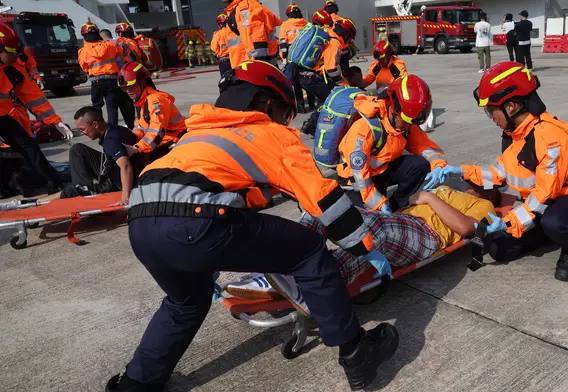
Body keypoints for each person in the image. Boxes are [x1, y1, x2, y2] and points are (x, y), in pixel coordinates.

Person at [104, 60, 399, 392]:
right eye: (286, 113)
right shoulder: (266, 131)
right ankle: (358, 354)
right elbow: (323, 198)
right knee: (307, 250)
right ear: (266, 102)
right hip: (194, 223)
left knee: (185, 301)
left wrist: (203, 253)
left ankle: (137, 384)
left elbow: (235, 198)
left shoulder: (198, 132)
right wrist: (366, 247)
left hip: (141, 225)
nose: (285, 122)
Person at [432, 61, 568, 282]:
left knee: (555, 223)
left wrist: (511, 222)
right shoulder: (515, 134)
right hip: (543, 201)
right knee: (499, 249)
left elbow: (543, 195)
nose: (491, 117)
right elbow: (498, 173)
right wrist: (459, 171)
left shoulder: (549, 137)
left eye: (491, 110)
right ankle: (546, 234)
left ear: (511, 107)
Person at [226, 185, 496, 299]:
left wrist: (428, 198)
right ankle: (284, 266)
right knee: (323, 210)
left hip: (425, 235)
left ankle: (309, 285)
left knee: (375, 231)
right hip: (402, 224)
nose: (471, 180)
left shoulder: (483, 204)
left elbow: (466, 228)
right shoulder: (448, 188)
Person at [337, 75, 447, 213]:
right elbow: (359, 176)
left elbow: (424, 146)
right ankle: (381, 208)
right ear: (394, 111)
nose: (409, 125)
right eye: (406, 121)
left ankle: (397, 205)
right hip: (356, 182)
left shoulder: (405, 120)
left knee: (420, 165)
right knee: (367, 222)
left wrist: (439, 165)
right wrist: (378, 203)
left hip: (382, 171)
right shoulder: (364, 129)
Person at [0, 24, 72, 194]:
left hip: (2, 116)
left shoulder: (12, 68)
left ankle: (52, 185)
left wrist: (55, 122)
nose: (16, 56)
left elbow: (33, 97)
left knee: (29, 147)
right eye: (12, 52)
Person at [39, 106, 144, 205]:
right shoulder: (114, 129)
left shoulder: (111, 141)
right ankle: (83, 188)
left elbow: (126, 167)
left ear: (95, 125)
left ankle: (38, 203)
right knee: (77, 150)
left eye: (82, 129)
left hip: (118, 183)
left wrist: (125, 198)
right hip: (115, 169)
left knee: (73, 191)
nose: (82, 132)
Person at [299, 18, 357, 136]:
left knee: (324, 98)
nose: (349, 41)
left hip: (306, 75)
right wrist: (345, 86)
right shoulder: (334, 43)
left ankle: (309, 125)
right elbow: (332, 70)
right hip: (312, 77)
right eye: (350, 37)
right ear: (345, 34)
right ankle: (311, 125)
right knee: (330, 98)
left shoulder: (328, 34)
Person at [117, 61, 186, 160]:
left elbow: (157, 131)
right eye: (125, 88)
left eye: (131, 87)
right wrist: (131, 137)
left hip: (175, 141)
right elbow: (141, 126)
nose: (128, 91)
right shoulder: (142, 101)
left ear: (143, 82)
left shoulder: (155, 100)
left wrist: (137, 148)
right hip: (164, 141)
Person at [78, 23, 135, 129]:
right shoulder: (110, 46)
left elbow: (84, 67)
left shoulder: (82, 51)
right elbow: (123, 52)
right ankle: (112, 129)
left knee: (97, 106)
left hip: (96, 82)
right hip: (112, 80)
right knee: (112, 107)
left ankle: (99, 129)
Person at [223, 0, 282, 65]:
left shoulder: (246, 7)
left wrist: (258, 61)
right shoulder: (237, 8)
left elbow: (253, 33)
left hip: (253, 64)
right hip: (244, 64)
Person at [279, 4, 308, 112]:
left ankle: (300, 105)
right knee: (306, 78)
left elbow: (283, 43)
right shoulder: (306, 24)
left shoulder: (285, 25)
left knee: (294, 82)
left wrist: (284, 58)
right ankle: (311, 102)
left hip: (292, 54)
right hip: (305, 53)